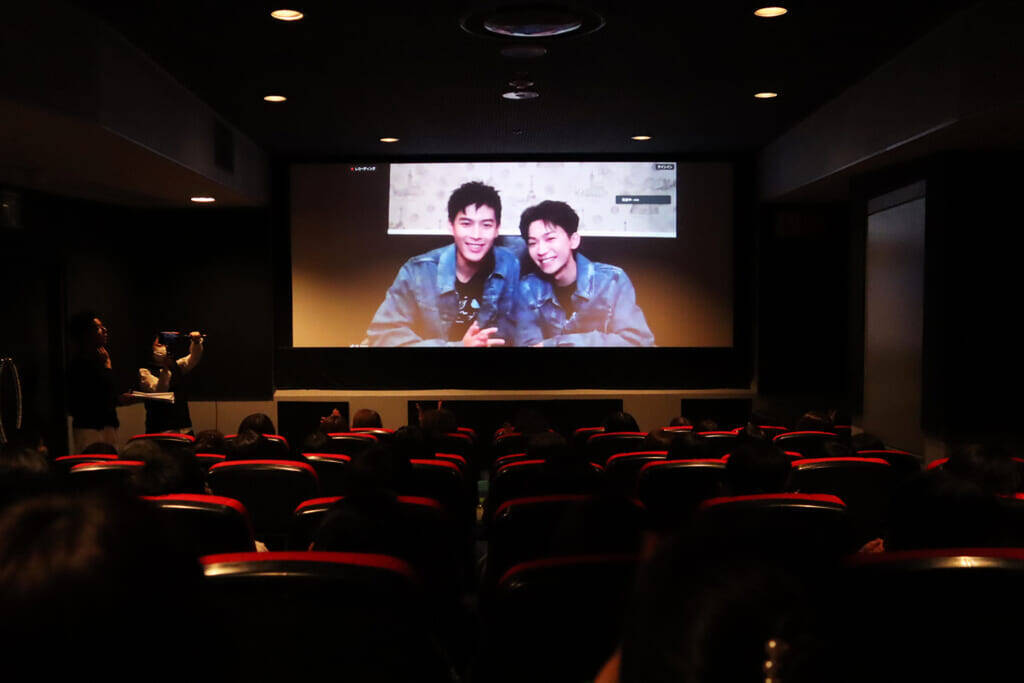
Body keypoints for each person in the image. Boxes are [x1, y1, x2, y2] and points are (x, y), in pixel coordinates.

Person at [366, 181, 520, 347]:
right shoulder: (418, 271)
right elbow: (382, 334)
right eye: (466, 224)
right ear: (451, 226)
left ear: (497, 229)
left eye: (486, 225)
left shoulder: (509, 264)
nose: (476, 235)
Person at [516, 200, 655, 347]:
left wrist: (560, 343)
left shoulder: (612, 280)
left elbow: (636, 341)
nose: (541, 250)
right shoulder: (527, 290)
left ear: (573, 240)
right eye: (533, 243)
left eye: (550, 239)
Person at [67, 312, 131, 452]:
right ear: (86, 334)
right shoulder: (80, 364)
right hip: (90, 429)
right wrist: (107, 367)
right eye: (98, 328)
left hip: (106, 426)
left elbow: (105, 395)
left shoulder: (98, 359)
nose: (105, 330)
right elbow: (93, 398)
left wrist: (118, 399)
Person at [137, 331, 203, 434]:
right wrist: (166, 369)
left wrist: (196, 342)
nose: (164, 348)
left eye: (165, 345)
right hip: (159, 431)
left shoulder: (177, 366)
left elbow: (194, 358)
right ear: (150, 348)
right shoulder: (145, 372)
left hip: (184, 428)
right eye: (159, 345)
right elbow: (159, 391)